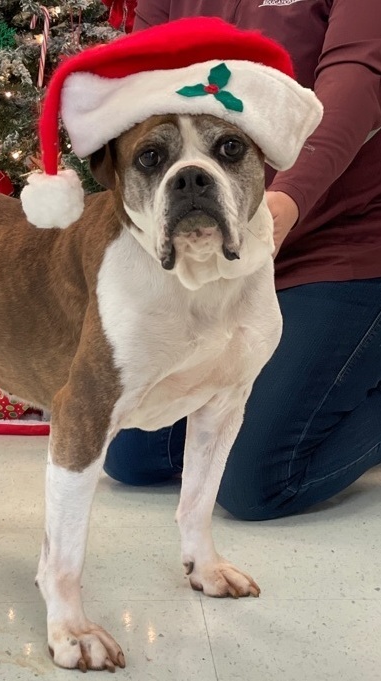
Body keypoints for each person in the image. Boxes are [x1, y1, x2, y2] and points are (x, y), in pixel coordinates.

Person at [104, 0, 381, 520]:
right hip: (221, 255)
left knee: (257, 483)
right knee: (135, 457)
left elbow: (357, 80)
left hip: (338, 239)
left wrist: (285, 203)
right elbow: (134, 85)